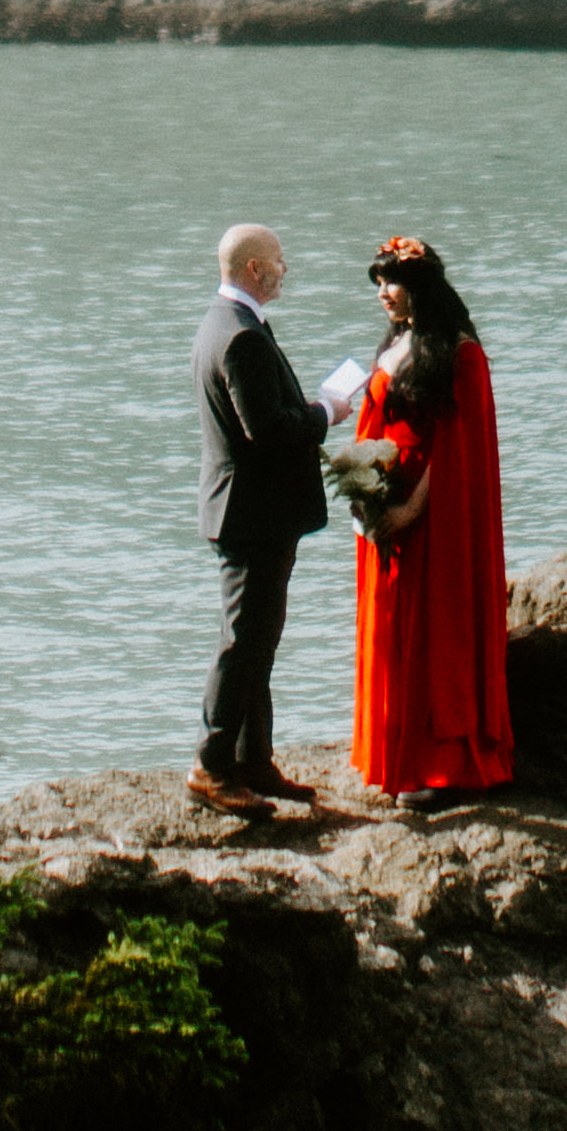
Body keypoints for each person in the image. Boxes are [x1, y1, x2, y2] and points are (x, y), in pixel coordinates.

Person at [346, 232, 512, 815]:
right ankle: (392, 755)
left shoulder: (461, 353)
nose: (383, 293)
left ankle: (440, 765)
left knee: (433, 628)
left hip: (434, 513)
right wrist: (362, 495)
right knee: (392, 630)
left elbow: (458, 451)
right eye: (379, 283)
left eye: (392, 282)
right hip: (385, 500)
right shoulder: (398, 343)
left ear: (421, 287)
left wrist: (409, 509)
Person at [188, 218, 329, 820]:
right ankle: (211, 766)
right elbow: (266, 429)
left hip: (248, 511)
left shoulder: (222, 324)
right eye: (277, 259)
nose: (284, 268)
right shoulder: (242, 336)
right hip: (252, 515)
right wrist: (326, 412)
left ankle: (254, 758)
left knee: (260, 638)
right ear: (253, 269)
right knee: (244, 641)